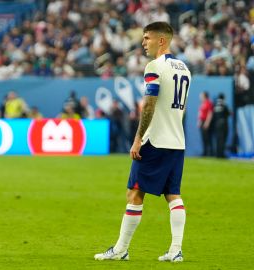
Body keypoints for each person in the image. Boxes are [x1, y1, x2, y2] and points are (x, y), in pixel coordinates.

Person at [95, 22, 191, 263]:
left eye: (147, 38)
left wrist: (138, 139)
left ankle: (120, 249)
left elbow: (149, 104)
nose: (143, 42)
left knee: (134, 193)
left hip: (155, 140)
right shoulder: (185, 69)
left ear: (161, 41)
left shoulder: (155, 66)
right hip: (177, 141)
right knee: (173, 194)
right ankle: (176, 250)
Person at [213, 94, 230, 158]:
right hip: (223, 124)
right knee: (222, 140)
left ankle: (217, 154)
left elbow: (213, 115)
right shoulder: (224, 105)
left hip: (216, 124)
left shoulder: (215, 105)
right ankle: (221, 154)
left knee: (218, 139)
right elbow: (228, 113)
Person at [198, 91, 214, 156]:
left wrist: (207, 123)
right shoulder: (202, 103)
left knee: (208, 138)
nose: (200, 97)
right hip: (202, 122)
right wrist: (199, 121)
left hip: (206, 122)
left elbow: (210, 113)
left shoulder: (209, 103)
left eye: (201, 96)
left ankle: (210, 153)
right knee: (204, 139)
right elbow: (201, 113)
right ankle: (204, 152)